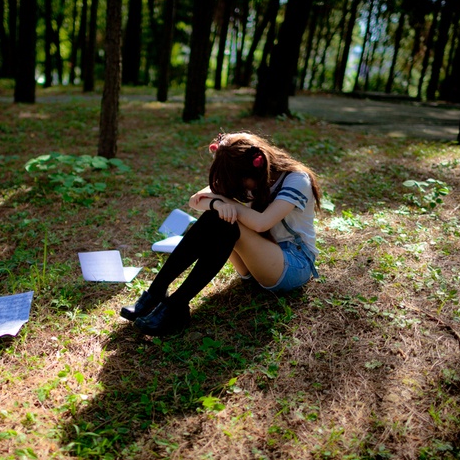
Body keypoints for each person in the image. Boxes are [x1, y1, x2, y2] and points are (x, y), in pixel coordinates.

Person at [121, 131, 322, 337]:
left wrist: (228, 204)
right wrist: (218, 203)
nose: (239, 189)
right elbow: (196, 200)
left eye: (240, 184)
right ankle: (157, 291)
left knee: (225, 219)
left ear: (256, 167)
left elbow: (262, 223)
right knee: (217, 216)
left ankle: (176, 305)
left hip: (294, 263)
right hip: (258, 260)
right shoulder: (243, 173)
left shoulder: (297, 180)